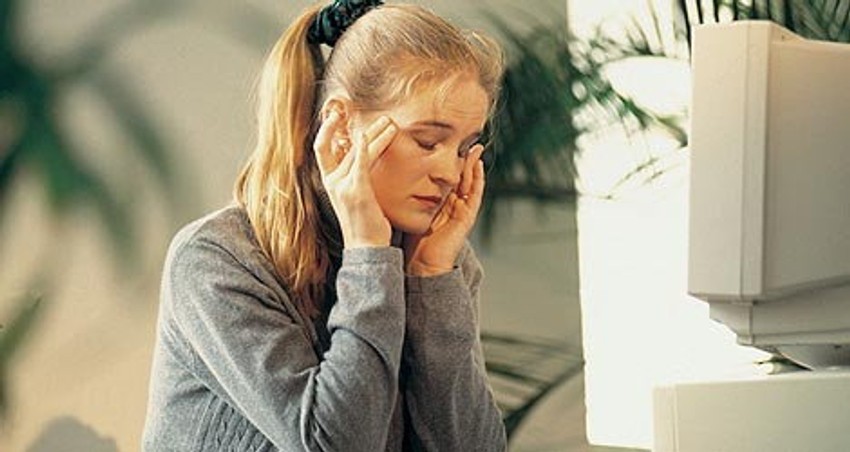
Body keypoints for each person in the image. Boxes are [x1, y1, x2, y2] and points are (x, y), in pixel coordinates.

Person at [142, 0, 506, 450]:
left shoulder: (434, 257)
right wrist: (369, 257)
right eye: (427, 141)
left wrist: (430, 278)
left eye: (464, 149)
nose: (450, 173)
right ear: (342, 127)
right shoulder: (216, 259)